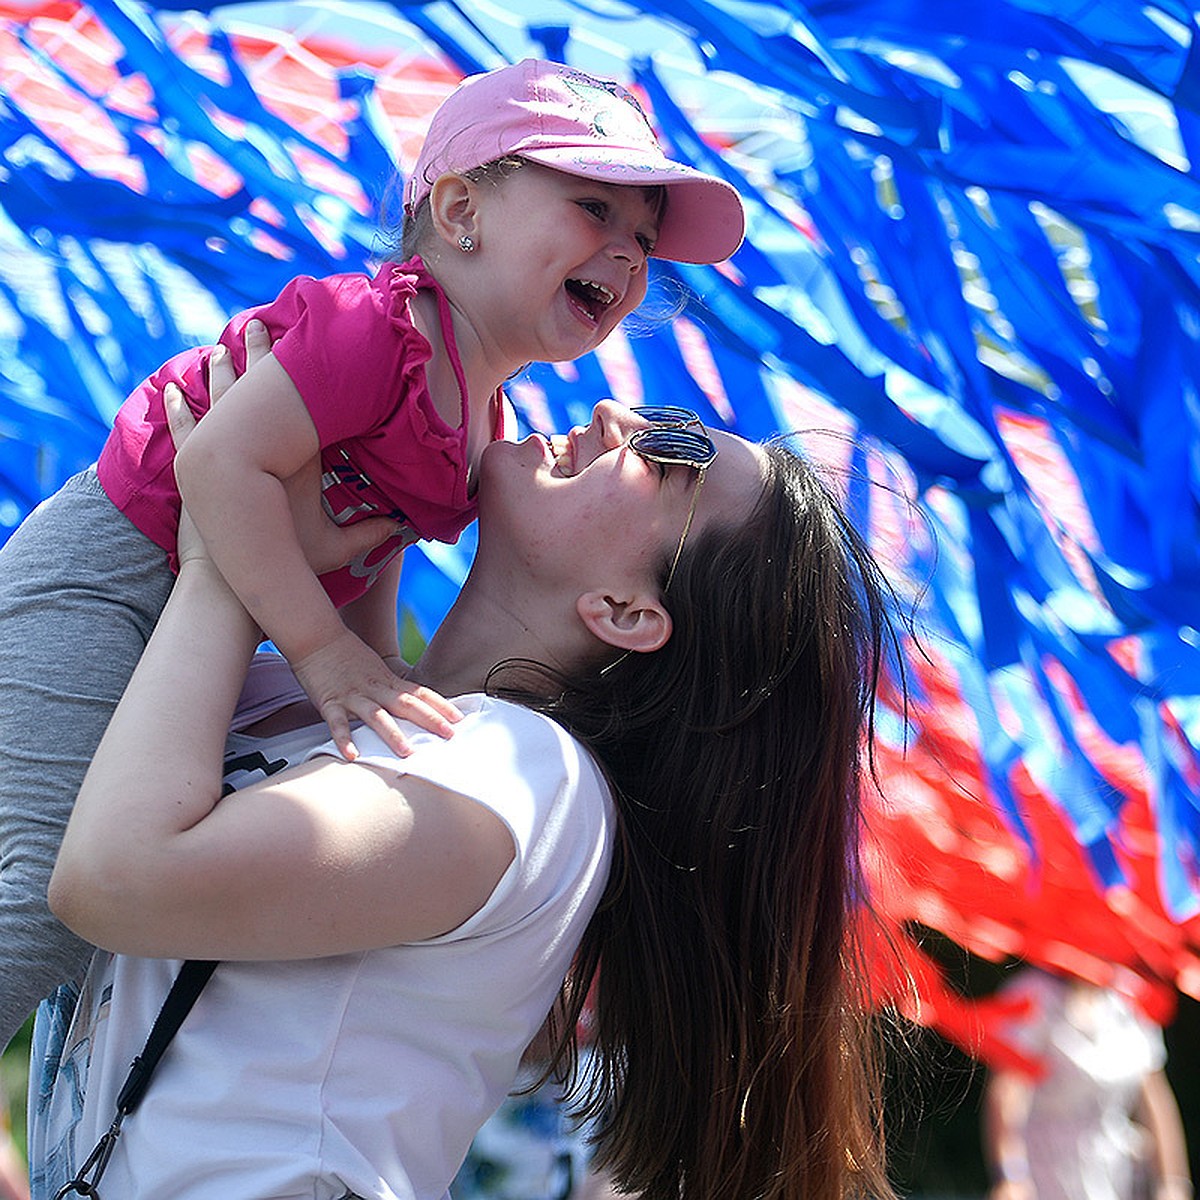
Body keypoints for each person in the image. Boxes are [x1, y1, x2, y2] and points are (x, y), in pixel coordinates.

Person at [31, 330, 895, 1198]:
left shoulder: (530, 780)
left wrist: (225, 544)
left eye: (671, 452)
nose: (611, 414)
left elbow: (112, 881)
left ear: (628, 613)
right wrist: (327, 472)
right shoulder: (351, 704)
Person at [0, 56, 746, 1048]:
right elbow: (221, 463)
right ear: (460, 210)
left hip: (185, 600)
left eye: (644, 241)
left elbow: (368, 536)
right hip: (111, 569)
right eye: (593, 208)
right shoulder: (374, 328)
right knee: (43, 898)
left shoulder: (486, 415)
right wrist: (323, 655)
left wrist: (370, 659)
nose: (624, 256)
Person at [982, 966, 1193, 1200]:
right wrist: (1010, 1176)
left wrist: (1173, 1183)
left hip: (1114, 1171)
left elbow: (1154, 1096)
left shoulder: (1133, 996)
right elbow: (1007, 1091)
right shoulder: (1032, 993)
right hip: (1044, 1167)